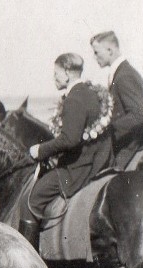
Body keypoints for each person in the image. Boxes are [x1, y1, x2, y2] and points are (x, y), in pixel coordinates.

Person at [22, 53, 114, 250]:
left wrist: (41, 150)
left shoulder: (74, 99)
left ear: (66, 72)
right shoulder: (91, 93)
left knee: (35, 196)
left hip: (79, 168)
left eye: (56, 73)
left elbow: (70, 139)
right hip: (98, 161)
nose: (54, 78)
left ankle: (29, 256)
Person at [90, 31, 143, 168]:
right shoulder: (121, 73)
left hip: (132, 148)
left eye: (96, 52)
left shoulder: (124, 76)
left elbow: (140, 115)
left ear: (110, 50)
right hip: (129, 145)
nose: (94, 57)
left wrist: (107, 129)